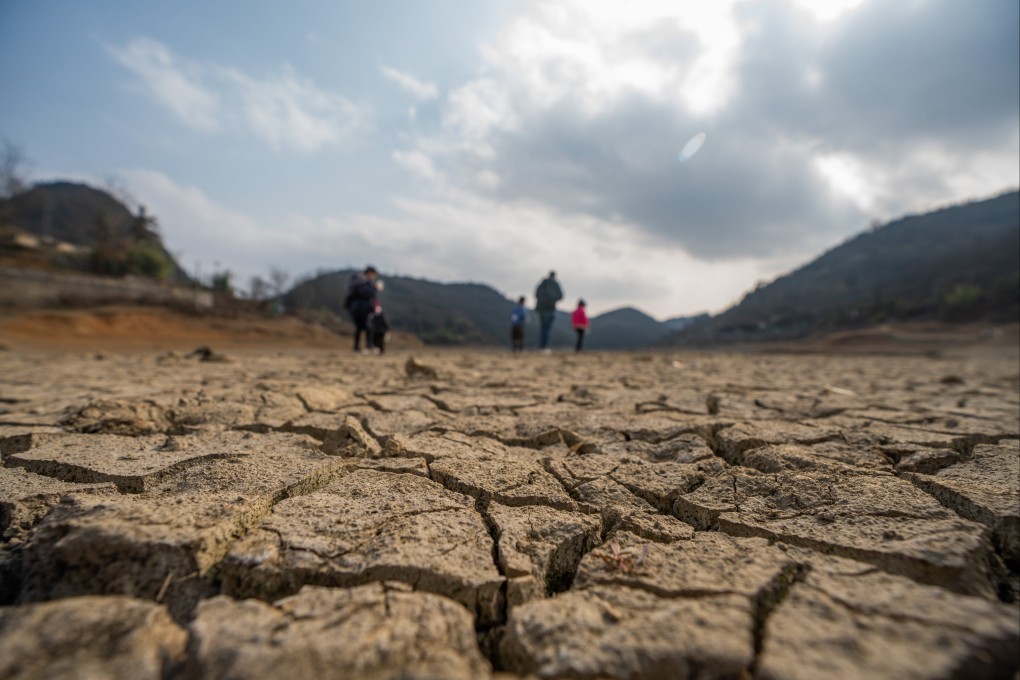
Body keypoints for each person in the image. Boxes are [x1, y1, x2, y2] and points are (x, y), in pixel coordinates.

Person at [344, 266, 379, 351]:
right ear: (370, 273)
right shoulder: (362, 282)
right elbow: (367, 294)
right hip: (362, 307)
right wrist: (375, 289)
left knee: (359, 328)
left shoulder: (357, 280)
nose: (373, 278)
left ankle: (357, 347)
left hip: (355, 307)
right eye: (373, 275)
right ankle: (369, 346)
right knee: (368, 327)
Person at [534, 271, 563, 351]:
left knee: (543, 328)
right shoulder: (555, 284)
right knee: (547, 328)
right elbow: (561, 296)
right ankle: (544, 347)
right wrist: (552, 299)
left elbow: (536, 294)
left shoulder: (542, 284)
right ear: (554, 276)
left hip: (541, 310)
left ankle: (541, 346)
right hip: (550, 309)